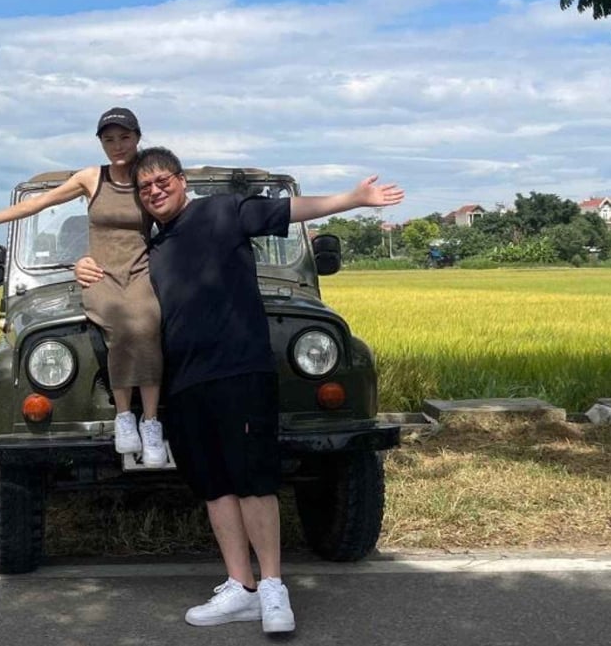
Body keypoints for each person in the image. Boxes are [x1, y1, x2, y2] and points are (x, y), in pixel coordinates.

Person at [77, 146, 404, 634]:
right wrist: (81, 267)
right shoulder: (153, 249)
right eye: (145, 187)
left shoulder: (221, 211)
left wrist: (353, 199)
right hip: (186, 381)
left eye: (163, 180)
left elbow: (291, 210)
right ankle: (240, 586)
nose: (155, 190)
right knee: (214, 486)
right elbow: (114, 268)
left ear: (182, 181)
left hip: (239, 370)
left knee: (253, 480)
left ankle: (273, 589)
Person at [0, 108, 166, 464]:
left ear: (137, 138)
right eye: (109, 139)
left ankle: (151, 422)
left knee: (149, 323)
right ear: (101, 143)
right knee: (120, 325)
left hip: (140, 271)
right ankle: (124, 418)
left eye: (124, 138)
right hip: (99, 274)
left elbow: (176, 214)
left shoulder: (148, 177)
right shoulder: (92, 178)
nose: (117, 146)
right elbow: (43, 201)